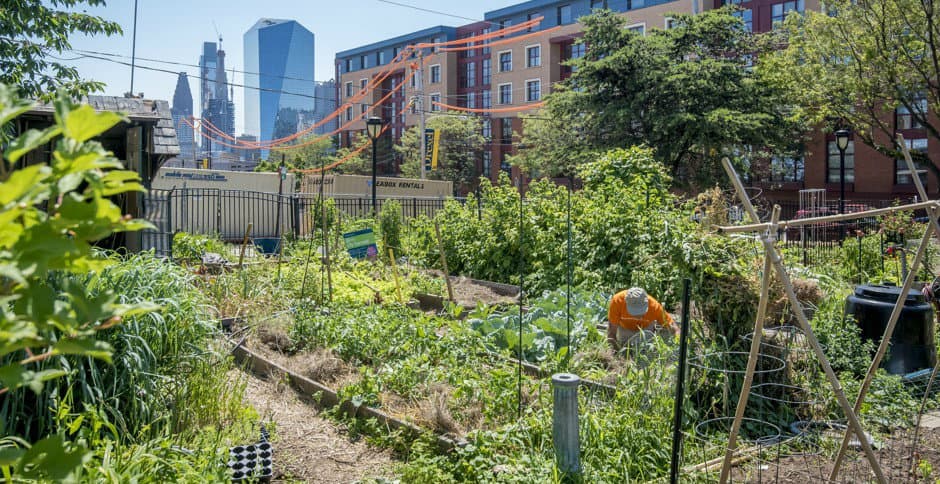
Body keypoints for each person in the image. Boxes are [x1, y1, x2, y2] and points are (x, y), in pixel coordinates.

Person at [607, 287, 678, 351]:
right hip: (624, 329)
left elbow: (673, 327)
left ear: (647, 303)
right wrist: (615, 354)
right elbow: (611, 333)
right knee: (624, 350)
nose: (639, 317)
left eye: (641, 313)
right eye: (635, 312)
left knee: (646, 353)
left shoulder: (654, 306)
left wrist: (680, 345)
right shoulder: (617, 301)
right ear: (626, 302)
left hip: (646, 329)